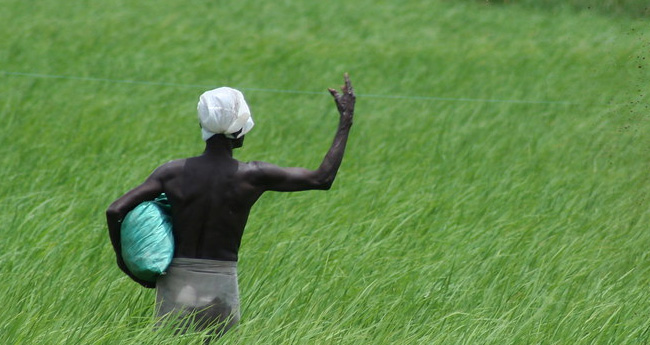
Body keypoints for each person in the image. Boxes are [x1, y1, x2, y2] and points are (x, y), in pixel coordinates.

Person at [106, 74, 355, 337]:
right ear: (240, 129)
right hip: (220, 284)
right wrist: (345, 121)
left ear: (203, 123)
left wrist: (126, 265)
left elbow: (115, 210)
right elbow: (322, 178)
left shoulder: (172, 173)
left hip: (176, 282)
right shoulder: (253, 175)